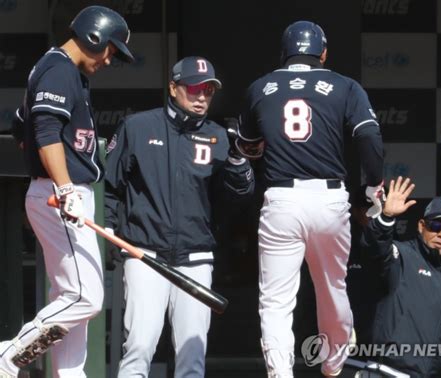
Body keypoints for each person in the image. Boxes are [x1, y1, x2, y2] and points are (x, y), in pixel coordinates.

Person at [236, 20, 384, 377]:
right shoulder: (344, 85)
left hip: (281, 198)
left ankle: (280, 373)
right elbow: (369, 139)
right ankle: (332, 366)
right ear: (324, 52)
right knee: (332, 288)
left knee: (275, 301)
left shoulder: (261, 87)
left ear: (285, 53)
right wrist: (371, 188)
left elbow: (245, 145)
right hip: (329, 198)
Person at [0, 6, 134, 378]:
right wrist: (62, 185)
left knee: (71, 301)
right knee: (86, 297)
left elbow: (20, 128)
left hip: (60, 192)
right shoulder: (59, 68)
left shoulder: (62, 70)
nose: (110, 59)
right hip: (60, 195)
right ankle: (8, 355)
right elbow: (43, 134)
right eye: (110, 49)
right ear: (94, 36)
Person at [104, 56, 254, 377]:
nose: (202, 97)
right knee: (139, 347)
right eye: (194, 88)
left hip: (196, 255)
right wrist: (107, 235)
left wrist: (239, 160)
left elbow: (236, 200)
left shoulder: (219, 136)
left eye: (209, 90)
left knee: (191, 355)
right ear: (173, 87)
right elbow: (109, 188)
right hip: (145, 253)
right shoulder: (138, 127)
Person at [361, 176, 441, 376]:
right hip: (386, 371)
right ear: (421, 226)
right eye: (436, 226)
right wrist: (386, 217)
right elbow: (373, 249)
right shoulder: (401, 256)